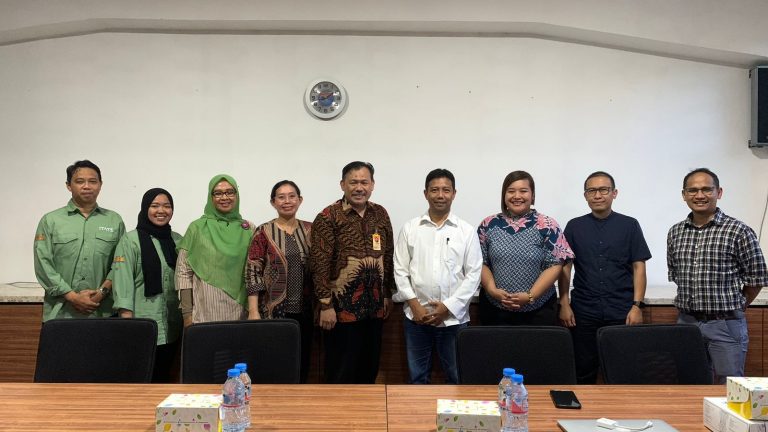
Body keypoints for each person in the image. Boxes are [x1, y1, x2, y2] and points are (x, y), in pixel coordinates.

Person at [667, 167, 768, 384]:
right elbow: (676, 273)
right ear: (684, 195)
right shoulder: (675, 232)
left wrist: (738, 304)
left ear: (718, 192)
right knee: (688, 384)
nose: (700, 195)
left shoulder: (738, 231)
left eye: (706, 189)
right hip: (686, 323)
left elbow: (757, 278)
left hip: (725, 324)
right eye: (693, 190)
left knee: (729, 387)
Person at [558, 171, 652, 384]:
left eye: (603, 190)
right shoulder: (574, 226)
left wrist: (637, 306)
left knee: (623, 368)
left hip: (621, 309)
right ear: (585, 195)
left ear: (614, 193)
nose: (597, 195)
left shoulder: (629, 225)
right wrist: (564, 303)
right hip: (583, 310)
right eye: (592, 190)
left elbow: (639, 267)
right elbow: (565, 268)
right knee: (582, 369)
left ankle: (620, 414)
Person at [393, 168, 482, 384]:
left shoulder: (466, 231)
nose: (440, 195)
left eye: (445, 190)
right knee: (417, 378)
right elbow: (400, 269)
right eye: (434, 190)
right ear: (425, 193)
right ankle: (419, 418)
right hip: (416, 318)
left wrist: (448, 308)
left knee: (456, 377)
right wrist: (414, 305)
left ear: (454, 193)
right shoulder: (410, 228)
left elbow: (473, 274)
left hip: (454, 320)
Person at [311, 161, 394, 384]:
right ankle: (337, 417)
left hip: (374, 309)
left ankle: (365, 418)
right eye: (353, 182)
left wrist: (387, 294)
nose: (359, 188)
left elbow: (388, 255)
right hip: (340, 312)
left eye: (364, 182)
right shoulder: (328, 217)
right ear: (342, 185)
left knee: (369, 369)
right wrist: (326, 305)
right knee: (341, 371)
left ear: (372, 185)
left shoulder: (381, 214)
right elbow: (319, 263)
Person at [477, 170, 573, 325]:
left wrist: (530, 296)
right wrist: (492, 290)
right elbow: (480, 262)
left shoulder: (548, 225)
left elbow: (556, 264)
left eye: (523, 191)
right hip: (495, 309)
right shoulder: (488, 224)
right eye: (511, 191)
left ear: (532, 195)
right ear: (504, 195)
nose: (517, 196)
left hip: (539, 310)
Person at [34, 160, 125, 321]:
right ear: (69, 185)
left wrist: (100, 294)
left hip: (102, 312)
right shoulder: (51, 221)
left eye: (92, 181)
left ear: (100, 184)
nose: (87, 186)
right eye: (79, 181)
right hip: (60, 313)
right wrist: (72, 297)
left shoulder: (114, 220)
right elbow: (43, 264)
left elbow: (120, 263)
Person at [245, 180, 314, 383]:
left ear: (300, 200)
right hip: (273, 312)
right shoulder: (263, 232)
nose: (287, 201)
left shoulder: (311, 230)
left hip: (305, 312)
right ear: (273, 202)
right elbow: (252, 270)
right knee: (275, 363)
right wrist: (253, 311)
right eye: (281, 197)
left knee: (302, 363)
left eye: (292, 196)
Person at [111, 188, 182, 383]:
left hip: (172, 325)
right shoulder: (130, 240)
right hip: (142, 323)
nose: (161, 211)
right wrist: (128, 321)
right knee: (141, 378)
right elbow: (122, 280)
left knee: (164, 378)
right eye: (155, 206)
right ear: (145, 208)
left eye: (167, 206)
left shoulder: (177, 240)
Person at [176, 174, 254, 325]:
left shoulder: (249, 228)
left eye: (230, 192)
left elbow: (255, 272)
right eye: (218, 193)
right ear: (210, 197)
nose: (224, 197)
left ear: (236, 195)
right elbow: (183, 272)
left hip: (241, 313)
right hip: (206, 313)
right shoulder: (197, 228)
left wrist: (254, 310)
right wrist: (187, 315)